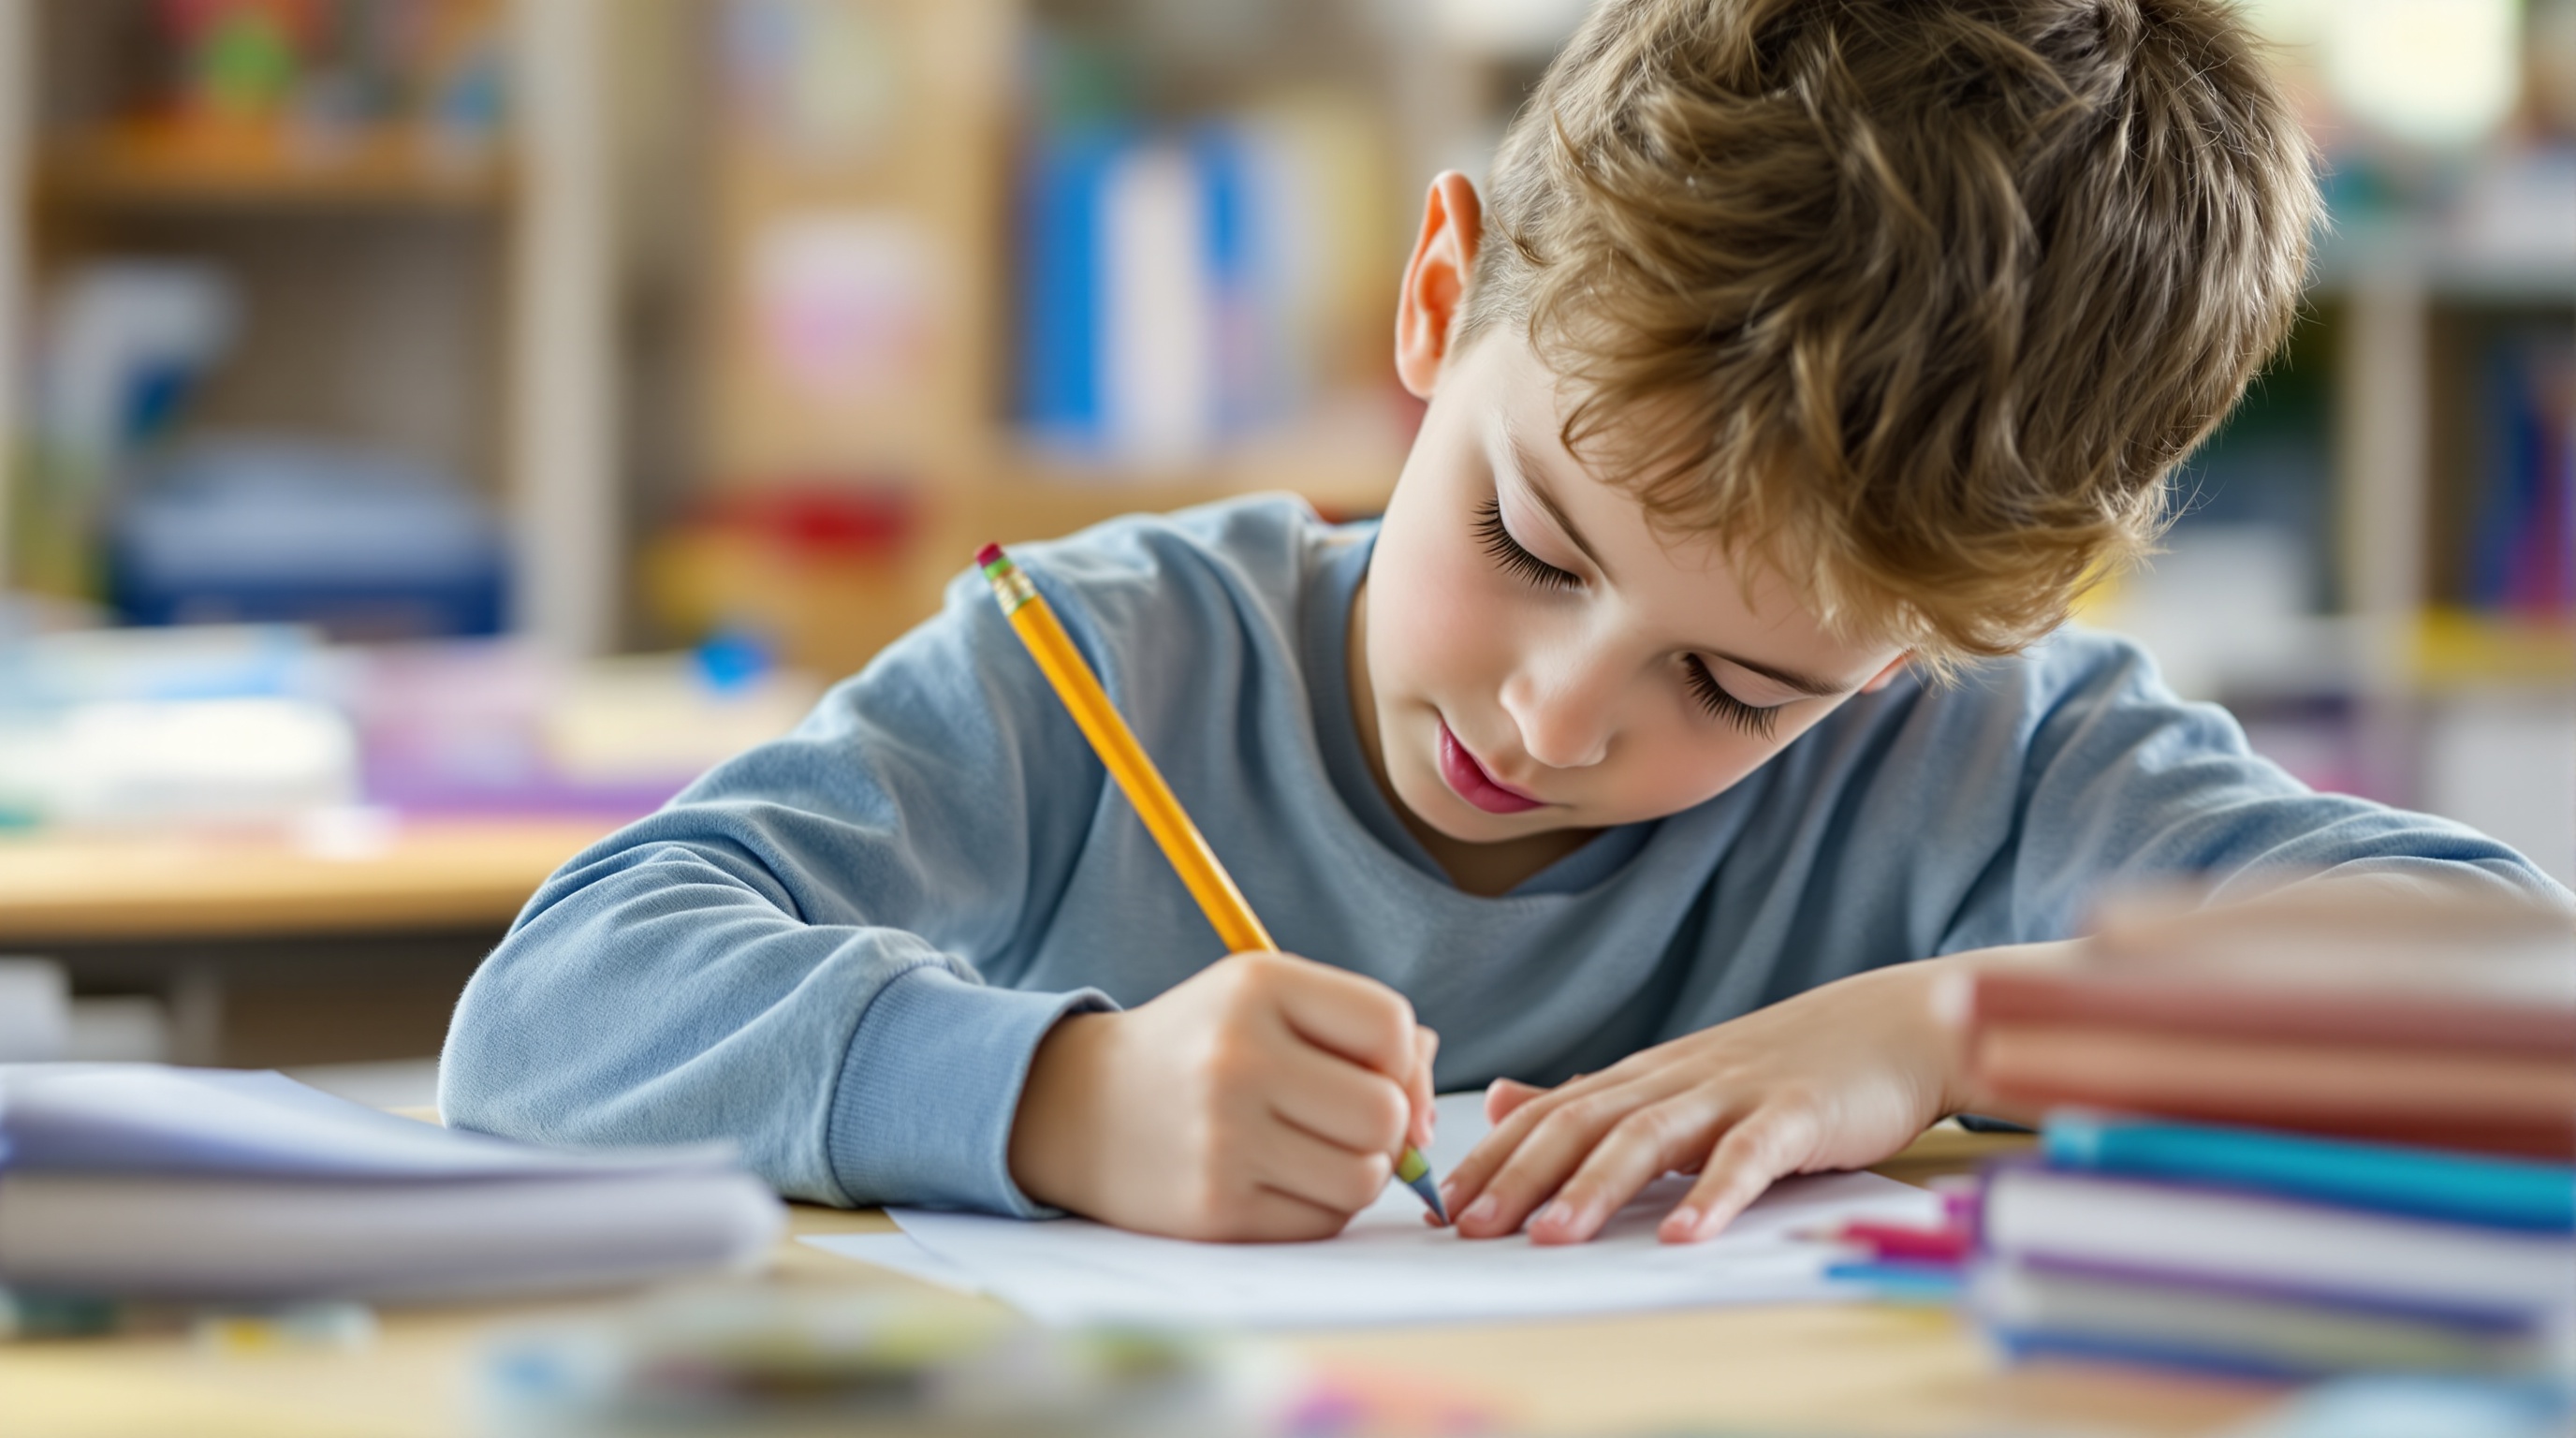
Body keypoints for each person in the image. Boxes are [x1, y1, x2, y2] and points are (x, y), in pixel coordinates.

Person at [441, 0, 2569, 1245]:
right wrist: (1053, 1104)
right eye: (1532, 540)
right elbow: (542, 1023)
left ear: (1933, 634)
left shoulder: (1978, 759)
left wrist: (1949, 1029)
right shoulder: (1105, 662)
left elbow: (2526, 1001)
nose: (1555, 713)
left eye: (1739, 683)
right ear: (1441, 299)